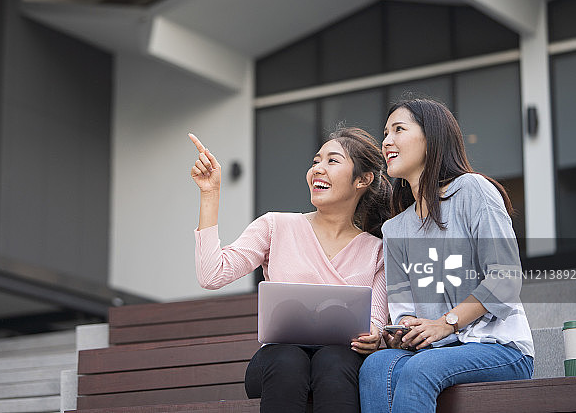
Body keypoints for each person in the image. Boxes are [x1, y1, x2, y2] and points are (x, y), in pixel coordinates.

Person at [188, 127, 392, 413]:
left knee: (334, 360)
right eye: (315, 161)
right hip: (278, 363)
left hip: (341, 364)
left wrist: (373, 336)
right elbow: (212, 275)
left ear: (363, 179)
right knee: (288, 359)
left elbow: (376, 323)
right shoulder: (274, 226)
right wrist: (210, 194)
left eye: (332, 161)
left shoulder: (377, 250)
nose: (317, 169)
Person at [359, 98, 534, 413]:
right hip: (436, 351)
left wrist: (446, 323)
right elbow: (403, 309)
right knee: (376, 367)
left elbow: (505, 278)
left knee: (418, 369)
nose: (386, 141)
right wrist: (407, 327)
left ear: (432, 138)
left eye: (399, 129)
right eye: (385, 133)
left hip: (499, 348)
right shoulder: (395, 229)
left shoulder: (473, 190)